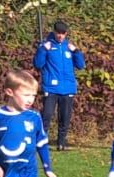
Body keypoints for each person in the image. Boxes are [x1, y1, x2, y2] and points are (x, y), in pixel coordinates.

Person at [32, 19, 84, 151]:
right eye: (58, 33)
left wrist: (76, 52)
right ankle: (40, 142)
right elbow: (38, 64)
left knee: (65, 117)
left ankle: (61, 143)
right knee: (47, 116)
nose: (60, 36)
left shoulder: (69, 47)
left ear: (66, 33)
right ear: (54, 32)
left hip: (68, 88)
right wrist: (43, 50)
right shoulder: (46, 46)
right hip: (51, 88)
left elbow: (80, 65)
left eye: (63, 33)